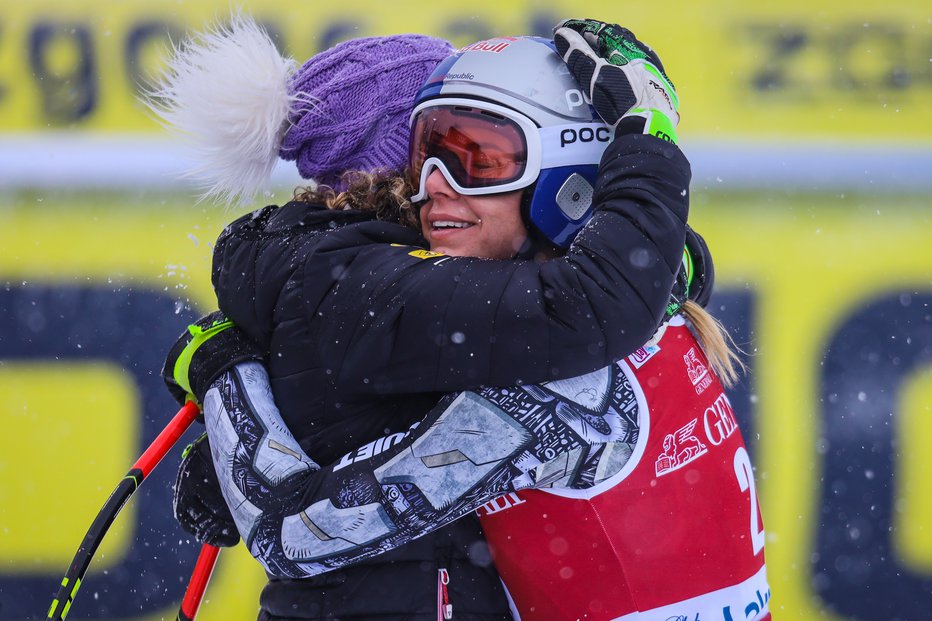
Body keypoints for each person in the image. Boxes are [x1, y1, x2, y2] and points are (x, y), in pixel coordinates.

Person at [155, 16, 716, 621]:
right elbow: (588, 305)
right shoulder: (369, 282)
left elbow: (636, 277)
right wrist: (649, 138)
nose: (442, 182)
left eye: (476, 153)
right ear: (395, 169)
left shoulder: (373, 271)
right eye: (433, 151)